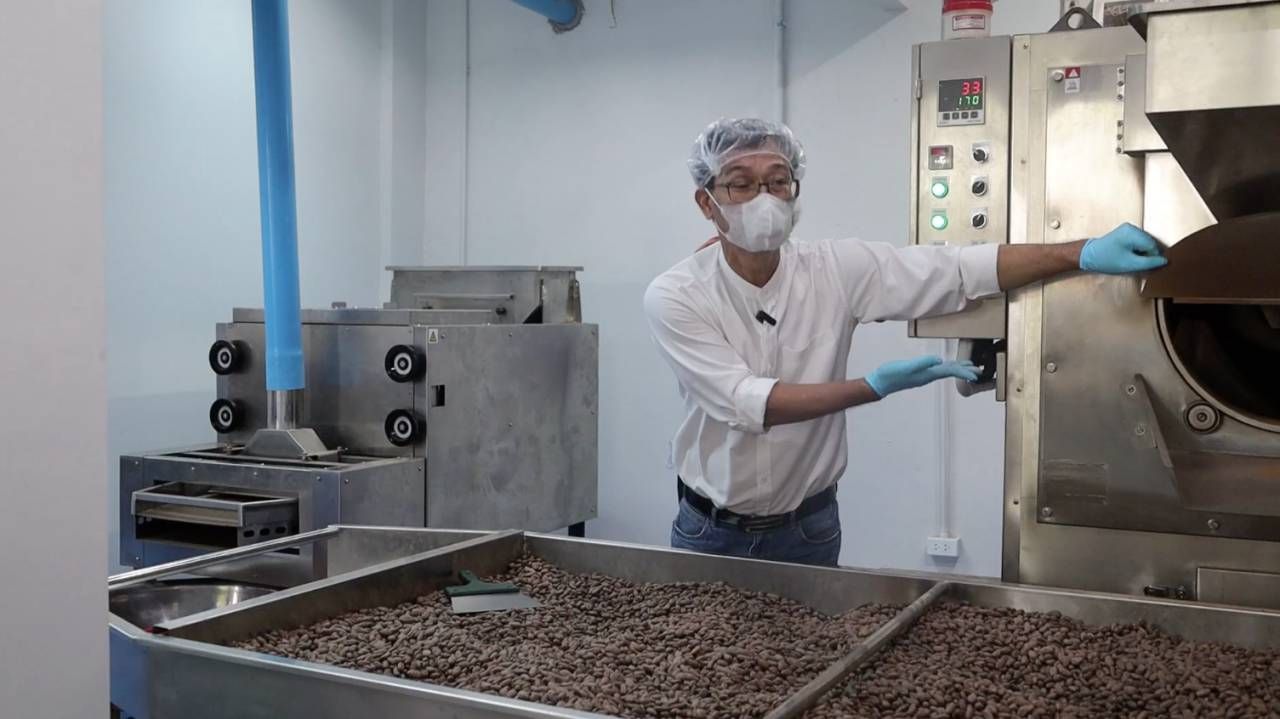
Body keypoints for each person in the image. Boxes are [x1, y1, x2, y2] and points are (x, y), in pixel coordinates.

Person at [643, 118, 1167, 567]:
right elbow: (748, 402)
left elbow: (956, 270)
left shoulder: (834, 269)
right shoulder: (677, 295)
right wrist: (873, 386)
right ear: (707, 202)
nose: (764, 199)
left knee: (806, 649)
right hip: (711, 531)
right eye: (741, 184)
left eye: (777, 181)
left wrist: (1081, 252)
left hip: (810, 526)